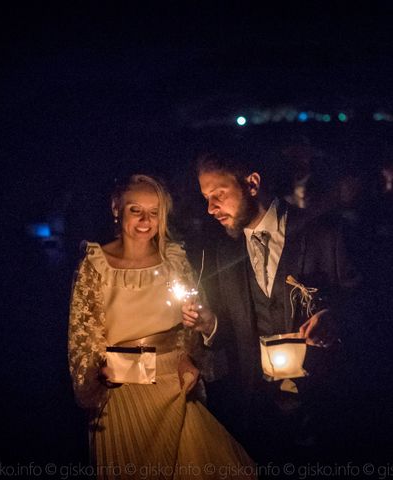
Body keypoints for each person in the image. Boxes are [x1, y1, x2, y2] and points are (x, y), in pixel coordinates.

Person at [68, 174, 255, 478]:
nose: (145, 220)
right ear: (116, 208)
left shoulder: (173, 259)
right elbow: (83, 337)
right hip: (122, 393)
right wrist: (92, 385)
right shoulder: (95, 264)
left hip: (175, 385)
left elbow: (191, 321)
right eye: (135, 210)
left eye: (154, 212)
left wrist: (190, 357)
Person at [182, 149, 360, 463]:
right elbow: (233, 331)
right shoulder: (224, 252)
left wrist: (334, 319)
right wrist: (210, 324)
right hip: (258, 414)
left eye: (219, 195)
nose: (210, 208)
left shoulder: (322, 233)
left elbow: (362, 302)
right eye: (206, 197)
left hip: (323, 407)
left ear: (252, 184)